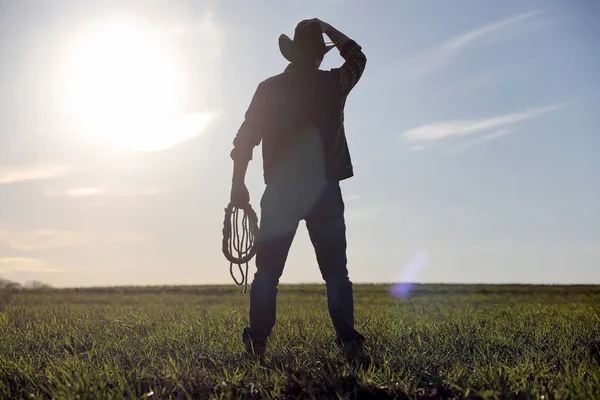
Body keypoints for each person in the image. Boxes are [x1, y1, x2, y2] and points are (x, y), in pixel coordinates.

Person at [229, 18, 367, 362]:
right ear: (319, 55)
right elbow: (358, 59)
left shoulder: (268, 88)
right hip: (323, 188)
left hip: (281, 190)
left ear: (291, 53)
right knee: (336, 273)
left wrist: (237, 184)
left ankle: (257, 343)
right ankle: (348, 343)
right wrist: (328, 28)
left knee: (267, 273)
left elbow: (245, 139)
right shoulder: (334, 83)